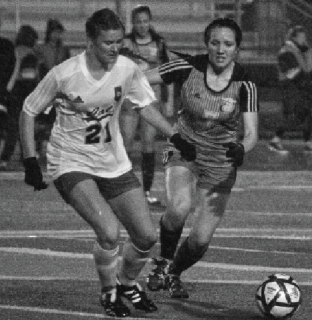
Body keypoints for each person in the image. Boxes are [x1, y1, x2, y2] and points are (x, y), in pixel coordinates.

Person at [18, 8, 196, 317]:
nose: (114, 49)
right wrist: (31, 160)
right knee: (110, 232)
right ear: (89, 41)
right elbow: (28, 111)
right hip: (71, 162)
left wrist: (176, 136)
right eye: (107, 43)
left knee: (146, 236)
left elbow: (144, 106)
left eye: (117, 42)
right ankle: (109, 292)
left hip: (113, 161)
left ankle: (127, 283)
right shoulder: (65, 73)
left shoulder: (126, 68)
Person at [144, 17, 259, 298]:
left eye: (228, 44)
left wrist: (242, 148)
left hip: (220, 161)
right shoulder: (187, 67)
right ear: (206, 45)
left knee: (199, 241)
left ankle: (173, 272)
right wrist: (168, 129)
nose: (221, 49)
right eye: (215, 42)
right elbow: (139, 81)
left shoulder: (245, 82)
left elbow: (252, 133)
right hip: (184, 149)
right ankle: (161, 263)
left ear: (237, 49)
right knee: (179, 207)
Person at [119, 5, 175, 207]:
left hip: (151, 100)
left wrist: (168, 101)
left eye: (145, 21)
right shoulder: (124, 42)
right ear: (133, 22)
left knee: (148, 145)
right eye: (138, 21)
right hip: (128, 101)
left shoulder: (159, 43)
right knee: (126, 144)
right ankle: (124, 190)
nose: (142, 25)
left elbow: (169, 72)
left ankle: (146, 192)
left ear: (149, 21)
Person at [268, 25, 312, 154]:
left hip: (305, 85)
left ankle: (307, 142)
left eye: (304, 36)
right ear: (293, 38)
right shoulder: (286, 50)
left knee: (307, 113)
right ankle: (276, 140)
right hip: (291, 86)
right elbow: (290, 71)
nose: (303, 39)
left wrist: (310, 78)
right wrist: (307, 77)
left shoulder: (306, 50)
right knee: (292, 113)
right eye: (300, 36)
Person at [0, 25, 41, 170]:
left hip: (11, 94)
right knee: (23, 128)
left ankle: (6, 158)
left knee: (13, 128)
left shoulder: (14, 50)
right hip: (22, 95)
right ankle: (22, 158)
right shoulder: (28, 53)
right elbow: (29, 78)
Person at [35, 18, 71, 158]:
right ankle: (38, 148)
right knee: (43, 120)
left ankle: (57, 149)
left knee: (58, 120)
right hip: (45, 89)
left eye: (59, 32)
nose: (57, 35)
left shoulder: (64, 50)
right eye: (54, 32)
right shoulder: (41, 49)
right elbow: (40, 69)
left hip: (59, 90)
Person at [0, 13, 16, 164]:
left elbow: (12, 69)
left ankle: (3, 158)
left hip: (2, 92)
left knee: (6, 126)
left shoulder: (6, 45)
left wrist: (7, 90)